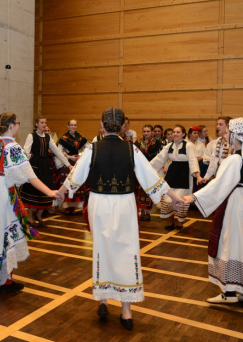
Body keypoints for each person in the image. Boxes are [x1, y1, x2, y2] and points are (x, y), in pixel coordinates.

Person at [56, 107, 184, 330]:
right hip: (125, 202)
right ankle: (126, 311)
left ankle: (103, 299)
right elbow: (150, 177)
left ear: (103, 125)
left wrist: (60, 191)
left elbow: (75, 175)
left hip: (99, 202)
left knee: (101, 249)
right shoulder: (131, 149)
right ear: (123, 125)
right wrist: (173, 197)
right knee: (127, 250)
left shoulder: (92, 148)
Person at [183, 118, 243, 304]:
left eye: (228, 133)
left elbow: (219, 185)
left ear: (236, 135)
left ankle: (229, 292)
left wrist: (194, 197)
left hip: (234, 202)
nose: (226, 137)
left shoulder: (235, 159)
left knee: (230, 242)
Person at [0, 112, 61, 294]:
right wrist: (50, 192)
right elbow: (29, 175)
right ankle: (5, 280)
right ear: (11, 126)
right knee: (7, 233)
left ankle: (0, 278)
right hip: (3, 193)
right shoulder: (12, 147)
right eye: (17, 123)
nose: (18, 126)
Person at [20, 116, 70, 226]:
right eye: (41, 122)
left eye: (45, 122)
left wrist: (68, 164)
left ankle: (39, 215)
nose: (44, 124)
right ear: (36, 124)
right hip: (35, 165)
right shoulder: (31, 136)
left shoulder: (48, 137)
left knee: (46, 190)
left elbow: (57, 152)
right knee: (34, 191)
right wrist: (23, 166)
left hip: (45, 166)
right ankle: (31, 217)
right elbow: (26, 151)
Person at [150, 125, 202, 229]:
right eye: (174, 132)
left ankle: (180, 221)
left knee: (181, 198)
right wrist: (145, 169)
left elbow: (192, 160)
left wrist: (198, 175)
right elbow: (159, 159)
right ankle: (170, 221)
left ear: (183, 134)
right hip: (172, 173)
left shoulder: (188, 145)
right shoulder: (169, 146)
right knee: (168, 198)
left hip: (184, 174)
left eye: (178, 132)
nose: (175, 134)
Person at [56, 119, 88, 214]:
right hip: (67, 162)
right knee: (67, 182)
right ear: (68, 126)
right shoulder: (63, 138)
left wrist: (80, 156)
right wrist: (70, 157)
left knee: (76, 181)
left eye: (75, 125)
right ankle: (67, 207)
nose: (73, 127)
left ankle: (73, 207)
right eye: (71, 125)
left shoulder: (80, 137)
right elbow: (59, 152)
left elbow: (88, 148)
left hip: (77, 162)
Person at [135, 125, 162, 221]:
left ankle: (148, 212)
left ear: (152, 132)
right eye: (144, 131)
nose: (146, 133)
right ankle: (141, 212)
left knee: (148, 190)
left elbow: (159, 156)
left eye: (148, 131)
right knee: (140, 191)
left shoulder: (157, 143)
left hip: (151, 169)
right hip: (139, 168)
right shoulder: (137, 142)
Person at [201, 117, 232, 183]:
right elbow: (213, 160)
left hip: (229, 176)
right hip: (217, 175)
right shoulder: (218, 141)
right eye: (217, 124)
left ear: (228, 126)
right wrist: (207, 177)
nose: (217, 126)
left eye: (220, 124)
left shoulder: (232, 142)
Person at [188, 126, 205, 192]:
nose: (196, 135)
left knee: (197, 184)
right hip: (188, 166)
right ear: (189, 134)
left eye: (197, 133)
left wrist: (199, 159)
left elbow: (205, 155)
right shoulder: (186, 143)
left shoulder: (200, 144)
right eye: (194, 133)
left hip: (199, 165)